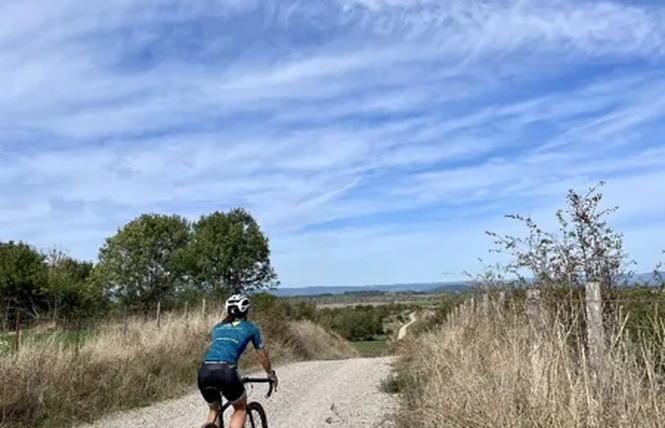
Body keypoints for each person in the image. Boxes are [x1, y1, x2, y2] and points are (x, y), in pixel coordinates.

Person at [197, 294, 278, 428]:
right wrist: (270, 374)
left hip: (204, 370)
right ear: (245, 311)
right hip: (226, 371)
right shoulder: (250, 328)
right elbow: (263, 357)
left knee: (214, 409)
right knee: (240, 409)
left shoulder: (217, 328)